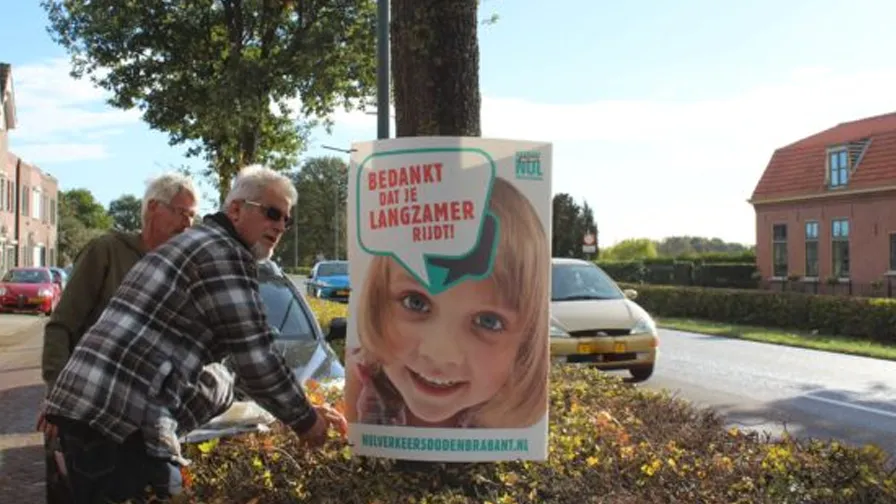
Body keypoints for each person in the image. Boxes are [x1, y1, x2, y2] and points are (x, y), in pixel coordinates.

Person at [43, 164, 346, 504]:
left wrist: (304, 405)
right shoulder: (223, 253)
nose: (279, 226)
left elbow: (233, 364)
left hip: (99, 416)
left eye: (286, 220)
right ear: (235, 209)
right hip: (115, 421)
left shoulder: (195, 244)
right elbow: (256, 357)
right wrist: (307, 421)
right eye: (272, 213)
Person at [37, 173, 207, 503]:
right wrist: (57, 395)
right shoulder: (107, 252)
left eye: (193, 216)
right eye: (182, 213)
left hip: (150, 427)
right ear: (154, 208)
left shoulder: (183, 269)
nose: (189, 225)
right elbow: (61, 326)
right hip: (92, 419)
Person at [345, 176, 550, 429]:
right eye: (416, 302)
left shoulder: (508, 425)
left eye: (488, 321)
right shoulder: (363, 379)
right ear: (378, 300)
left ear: (527, 343)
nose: (439, 353)